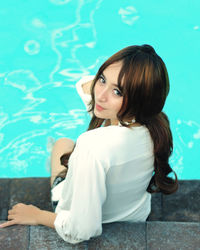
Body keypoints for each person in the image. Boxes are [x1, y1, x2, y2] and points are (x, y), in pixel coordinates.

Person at [0, 44, 178, 244]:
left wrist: (36, 215)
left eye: (118, 92)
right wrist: (113, 88)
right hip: (134, 213)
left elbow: (80, 230)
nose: (100, 96)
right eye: (102, 80)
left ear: (140, 99)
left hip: (86, 215)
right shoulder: (156, 124)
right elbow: (85, 86)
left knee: (62, 144)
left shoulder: (91, 146)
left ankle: (68, 170)